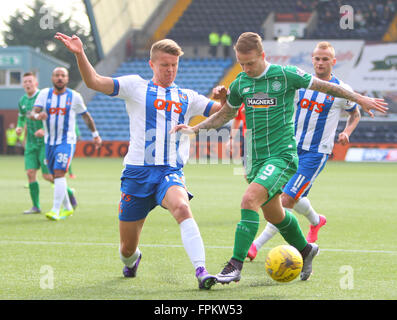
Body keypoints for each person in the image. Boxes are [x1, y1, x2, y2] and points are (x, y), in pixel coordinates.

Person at [171, 32, 387, 284]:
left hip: (282, 155)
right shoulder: (241, 83)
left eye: (250, 63)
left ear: (263, 56)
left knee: (249, 199)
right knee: (274, 215)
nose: (246, 68)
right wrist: (194, 129)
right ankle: (306, 250)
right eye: (241, 63)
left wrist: (358, 98)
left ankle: (234, 265)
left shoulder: (285, 75)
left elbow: (326, 85)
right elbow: (225, 114)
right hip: (255, 159)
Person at [54, 32, 224, 290]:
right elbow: (94, 81)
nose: (170, 70)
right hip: (136, 175)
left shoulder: (188, 97)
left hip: (169, 172)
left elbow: (225, 113)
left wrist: (225, 98)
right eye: (164, 65)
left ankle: (201, 271)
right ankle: (132, 260)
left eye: (174, 65)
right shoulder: (135, 86)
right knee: (126, 248)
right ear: (152, 65)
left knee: (182, 208)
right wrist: (80, 53)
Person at [248, 41, 362, 261]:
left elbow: (355, 114)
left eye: (325, 59)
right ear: (312, 60)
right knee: (291, 195)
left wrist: (347, 131)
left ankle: (256, 245)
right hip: (291, 148)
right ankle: (317, 220)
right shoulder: (302, 84)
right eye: (317, 59)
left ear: (333, 62)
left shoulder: (342, 90)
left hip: (315, 153)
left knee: (285, 200)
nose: (320, 62)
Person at [31, 67, 102, 221]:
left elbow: (85, 116)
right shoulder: (44, 94)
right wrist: (38, 116)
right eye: (57, 75)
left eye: (63, 75)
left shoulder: (74, 96)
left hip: (66, 141)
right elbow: (33, 113)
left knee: (59, 173)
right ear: (52, 78)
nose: (60, 78)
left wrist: (95, 135)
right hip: (49, 141)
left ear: (67, 79)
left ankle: (56, 210)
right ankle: (68, 207)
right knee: (52, 175)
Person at [16, 72, 54, 214]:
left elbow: (52, 116)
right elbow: (21, 117)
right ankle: (36, 206)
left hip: (44, 142)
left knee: (47, 176)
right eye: (25, 81)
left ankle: (67, 194)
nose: (27, 84)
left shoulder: (42, 98)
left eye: (30, 81)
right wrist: (19, 127)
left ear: (36, 83)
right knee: (30, 173)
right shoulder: (22, 101)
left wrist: (44, 130)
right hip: (31, 143)